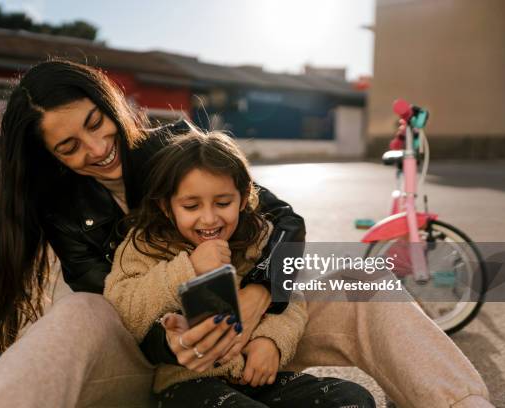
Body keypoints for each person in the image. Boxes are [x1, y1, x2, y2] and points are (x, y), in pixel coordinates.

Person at [0, 59, 493, 408]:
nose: (97, 146)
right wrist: (180, 343)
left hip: (254, 333)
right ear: (49, 158)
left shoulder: (177, 146)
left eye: (95, 121)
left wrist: (258, 296)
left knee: (363, 274)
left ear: (108, 104)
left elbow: (282, 220)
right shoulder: (59, 210)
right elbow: (116, 306)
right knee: (81, 312)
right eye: (70, 147)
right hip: (154, 361)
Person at [103, 130, 376, 407]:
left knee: (353, 399)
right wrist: (188, 268)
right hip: (187, 384)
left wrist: (270, 340)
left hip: (256, 379)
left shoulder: (257, 236)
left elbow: (291, 298)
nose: (209, 218)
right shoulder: (145, 243)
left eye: (223, 203)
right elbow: (122, 307)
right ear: (166, 206)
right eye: (191, 205)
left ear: (244, 198)